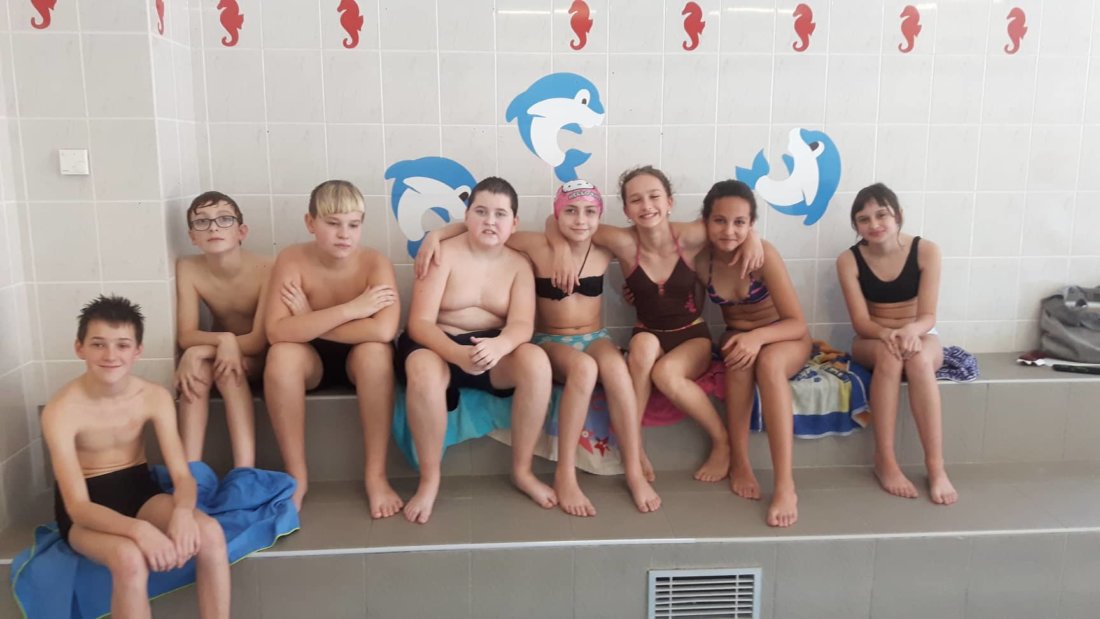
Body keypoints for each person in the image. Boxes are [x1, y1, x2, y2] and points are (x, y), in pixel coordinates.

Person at [416, 180, 661, 517]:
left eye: (589, 212)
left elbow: (650, 237)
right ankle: (565, 474)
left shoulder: (604, 244)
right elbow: (489, 227)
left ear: (599, 216)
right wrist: (437, 234)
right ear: (557, 215)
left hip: (595, 336)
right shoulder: (533, 244)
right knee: (584, 369)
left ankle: (633, 468)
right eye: (570, 211)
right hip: (552, 339)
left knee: (618, 370)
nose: (580, 220)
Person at [550, 166, 763, 483]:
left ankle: (722, 442)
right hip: (647, 332)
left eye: (654, 197)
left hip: (691, 336)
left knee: (666, 373)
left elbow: (731, 225)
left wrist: (754, 238)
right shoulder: (623, 242)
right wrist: (560, 250)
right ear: (626, 210)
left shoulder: (691, 236)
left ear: (669, 202)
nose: (646, 206)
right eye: (636, 200)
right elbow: (556, 219)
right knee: (643, 348)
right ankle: (634, 447)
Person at [43, 295, 230, 618]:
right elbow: (78, 507)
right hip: (87, 511)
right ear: (80, 348)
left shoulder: (153, 397)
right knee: (129, 559)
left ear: (138, 351)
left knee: (210, 533)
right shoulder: (61, 411)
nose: (110, 355)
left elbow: (182, 475)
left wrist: (183, 512)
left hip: (139, 491)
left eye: (122, 345)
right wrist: (140, 531)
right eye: (98, 344)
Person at [397, 176, 555, 524]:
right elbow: (419, 323)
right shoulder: (442, 254)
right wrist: (456, 355)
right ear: (467, 216)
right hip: (436, 343)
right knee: (423, 372)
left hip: (490, 349)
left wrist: (501, 345)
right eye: (481, 212)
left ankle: (523, 471)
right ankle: (429, 480)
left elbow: (522, 325)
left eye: (500, 214)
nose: (490, 221)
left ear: (514, 223)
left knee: (536, 362)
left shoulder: (519, 265)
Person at [263, 180, 403, 516]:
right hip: (309, 359)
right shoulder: (292, 259)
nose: (344, 234)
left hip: (358, 358)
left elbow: (383, 330)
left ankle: (376, 476)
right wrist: (352, 309)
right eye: (333, 223)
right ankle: (297, 477)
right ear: (310, 222)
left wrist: (309, 318)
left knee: (375, 353)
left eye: (353, 225)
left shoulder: (375, 263)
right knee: (281, 356)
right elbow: (276, 331)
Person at [695, 180, 811, 527]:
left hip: (783, 336)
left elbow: (797, 323)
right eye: (720, 220)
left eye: (739, 222)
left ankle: (785, 485)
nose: (729, 231)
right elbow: (692, 311)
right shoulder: (702, 261)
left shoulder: (763, 256)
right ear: (705, 220)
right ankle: (740, 462)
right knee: (737, 359)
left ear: (751, 224)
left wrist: (758, 337)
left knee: (769, 363)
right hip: (740, 337)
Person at [836, 183, 957, 505]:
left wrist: (910, 331)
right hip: (873, 337)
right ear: (855, 225)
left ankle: (936, 467)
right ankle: (885, 461)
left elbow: (928, 315)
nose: (874, 224)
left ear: (898, 216)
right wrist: (886, 334)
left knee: (918, 360)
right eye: (863, 219)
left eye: (882, 215)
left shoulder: (926, 251)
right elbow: (860, 322)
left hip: (920, 334)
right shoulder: (849, 260)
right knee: (890, 358)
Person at [175, 191, 271, 468]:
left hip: (262, 357)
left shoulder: (268, 268)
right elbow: (186, 334)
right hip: (222, 351)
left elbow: (258, 340)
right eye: (202, 222)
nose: (213, 227)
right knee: (198, 371)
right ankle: (189, 472)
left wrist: (203, 349)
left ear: (242, 231)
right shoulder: (188, 268)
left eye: (224, 219)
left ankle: (244, 469)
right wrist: (222, 341)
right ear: (192, 236)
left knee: (227, 371)